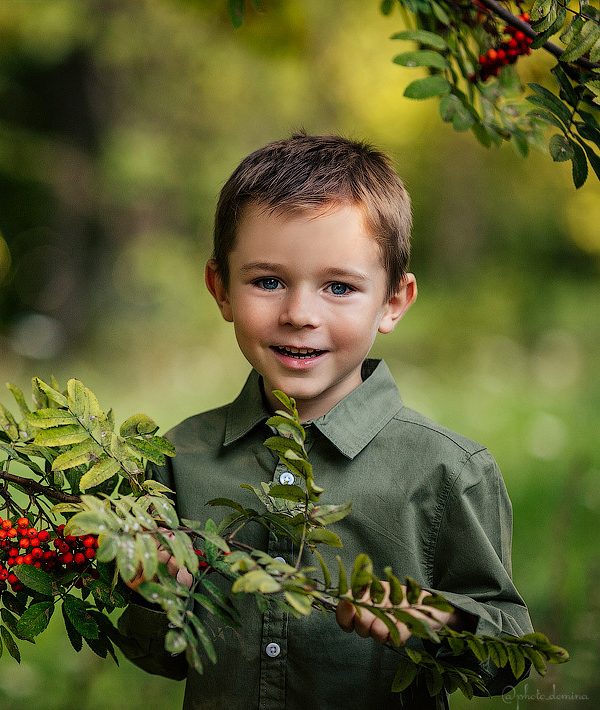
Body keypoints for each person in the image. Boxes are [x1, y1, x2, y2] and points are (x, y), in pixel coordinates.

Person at [116, 132, 532, 709]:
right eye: (268, 281)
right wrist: (155, 591)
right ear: (221, 289)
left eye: (339, 287)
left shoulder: (446, 472)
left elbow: (510, 650)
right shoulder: (177, 458)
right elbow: (157, 656)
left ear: (393, 301)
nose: (299, 315)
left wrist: (440, 620)